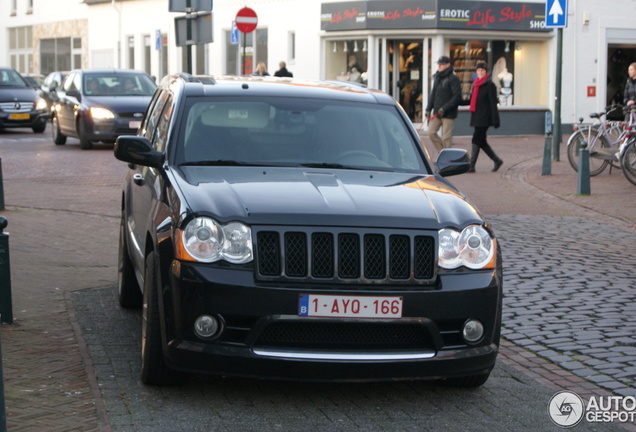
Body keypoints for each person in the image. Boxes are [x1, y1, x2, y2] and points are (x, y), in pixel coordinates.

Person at [465, 62, 503, 173]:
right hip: (477, 116)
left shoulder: (489, 85)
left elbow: (493, 103)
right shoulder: (476, 84)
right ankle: (497, 160)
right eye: (478, 71)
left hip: (485, 118)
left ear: (486, 72)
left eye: (482, 71)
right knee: (481, 141)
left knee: (476, 139)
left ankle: (471, 166)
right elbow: (472, 100)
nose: (480, 73)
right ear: (476, 72)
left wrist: (495, 120)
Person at [425, 56, 462, 152]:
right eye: (439, 64)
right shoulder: (437, 77)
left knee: (446, 137)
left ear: (448, 65)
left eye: (441, 64)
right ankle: (442, 152)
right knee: (431, 132)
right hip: (437, 111)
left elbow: (457, 97)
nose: (439, 66)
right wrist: (428, 109)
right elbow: (433, 94)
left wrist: (445, 108)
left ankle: (447, 158)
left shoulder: (453, 78)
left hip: (448, 113)